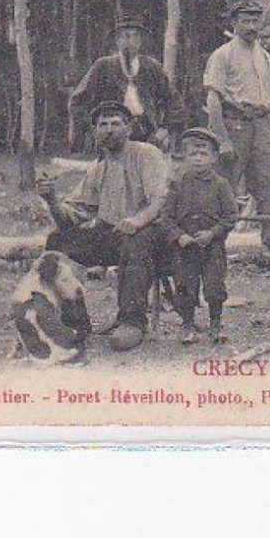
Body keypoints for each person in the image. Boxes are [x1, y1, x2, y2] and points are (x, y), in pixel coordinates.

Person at [42, 101, 170, 353]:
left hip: (154, 235)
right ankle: (75, 322)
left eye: (115, 123)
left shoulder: (146, 154)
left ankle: (132, 322)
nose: (109, 130)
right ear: (95, 131)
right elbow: (75, 215)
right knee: (58, 241)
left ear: (129, 128)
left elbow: (160, 199)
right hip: (114, 235)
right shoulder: (98, 169)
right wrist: (52, 200)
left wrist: (136, 221)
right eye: (103, 125)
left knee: (136, 240)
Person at [204, 0, 270, 269]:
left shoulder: (263, 56)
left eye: (256, 21)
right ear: (235, 23)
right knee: (222, 188)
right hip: (233, 124)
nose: (252, 26)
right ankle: (209, 249)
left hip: (261, 125)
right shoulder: (223, 55)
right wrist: (222, 139)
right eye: (246, 21)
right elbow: (213, 101)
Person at [160, 127, 239, 345]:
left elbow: (231, 216)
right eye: (192, 153)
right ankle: (187, 325)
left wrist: (213, 233)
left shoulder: (221, 185)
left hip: (212, 247)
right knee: (185, 287)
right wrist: (179, 236)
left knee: (215, 287)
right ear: (184, 157)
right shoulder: (177, 185)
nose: (197, 158)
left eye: (203, 153)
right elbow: (166, 217)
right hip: (185, 247)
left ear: (214, 158)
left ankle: (215, 324)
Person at [67, 18, 175, 149]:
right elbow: (77, 101)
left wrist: (165, 128)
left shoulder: (151, 67)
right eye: (126, 36)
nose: (130, 42)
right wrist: (94, 128)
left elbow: (173, 101)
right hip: (111, 133)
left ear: (140, 42)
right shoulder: (103, 66)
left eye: (136, 37)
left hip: (146, 132)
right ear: (117, 41)